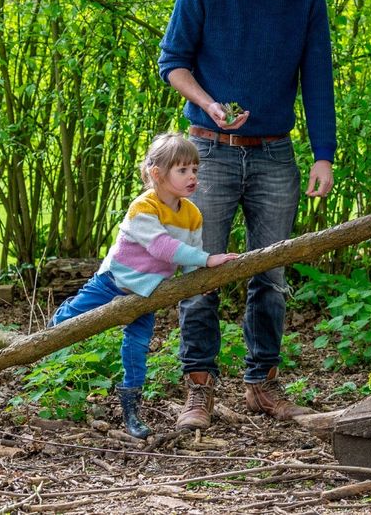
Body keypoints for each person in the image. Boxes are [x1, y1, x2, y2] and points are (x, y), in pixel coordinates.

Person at [157, 0, 336, 431]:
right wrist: (209, 104)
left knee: (270, 274)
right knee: (199, 270)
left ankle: (261, 384)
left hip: (274, 155)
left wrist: (322, 153)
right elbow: (173, 63)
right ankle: (199, 388)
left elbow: (317, 78)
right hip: (205, 153)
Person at [49, 133, 238, 439]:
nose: (192, 176)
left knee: (137, 348)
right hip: (114, 282)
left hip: (148, 293)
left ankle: (131, 409)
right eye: (182, 170)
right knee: (71, 321)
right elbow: (163, 248)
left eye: (194, 170)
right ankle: (50, 328)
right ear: (157, 174)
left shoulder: (192, 214)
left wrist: (198, 281)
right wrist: (208, 259)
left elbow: (189, 261)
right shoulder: (143, 207)